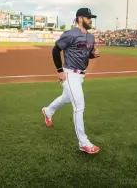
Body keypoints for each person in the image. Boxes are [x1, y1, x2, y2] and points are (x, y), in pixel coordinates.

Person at [42, 8, 101, 154]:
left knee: (66, 98)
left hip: (80, 76)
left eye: (91, 18)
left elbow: (87, 54)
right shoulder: (70, 34)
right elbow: (56, 50)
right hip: (69, 74)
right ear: (80, 18)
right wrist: (60, 71)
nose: (91, 20)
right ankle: (83, 142)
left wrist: (94, 54)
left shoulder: (91, 37)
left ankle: (48, 111)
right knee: (79, 105)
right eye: (88, 18)